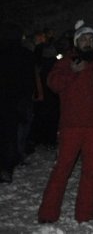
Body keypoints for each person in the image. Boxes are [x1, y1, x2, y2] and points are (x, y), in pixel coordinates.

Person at [38, 20, 93, 224]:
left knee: (91, 172)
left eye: (91, 39)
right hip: (72, 126)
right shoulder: (66, 63)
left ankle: (85, 214)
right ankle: (48, 213)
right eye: (83, 38)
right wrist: (72, 73)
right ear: (76, 42)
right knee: (62, 169)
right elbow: (54, 84)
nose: (87, 42)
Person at [0, 23, 36, 183]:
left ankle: (7, 166)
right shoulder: (25, 54)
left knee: (8, 134)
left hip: (9, 99)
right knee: (10, 135)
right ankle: (6, 167)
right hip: (14, 100)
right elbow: (29, 79)